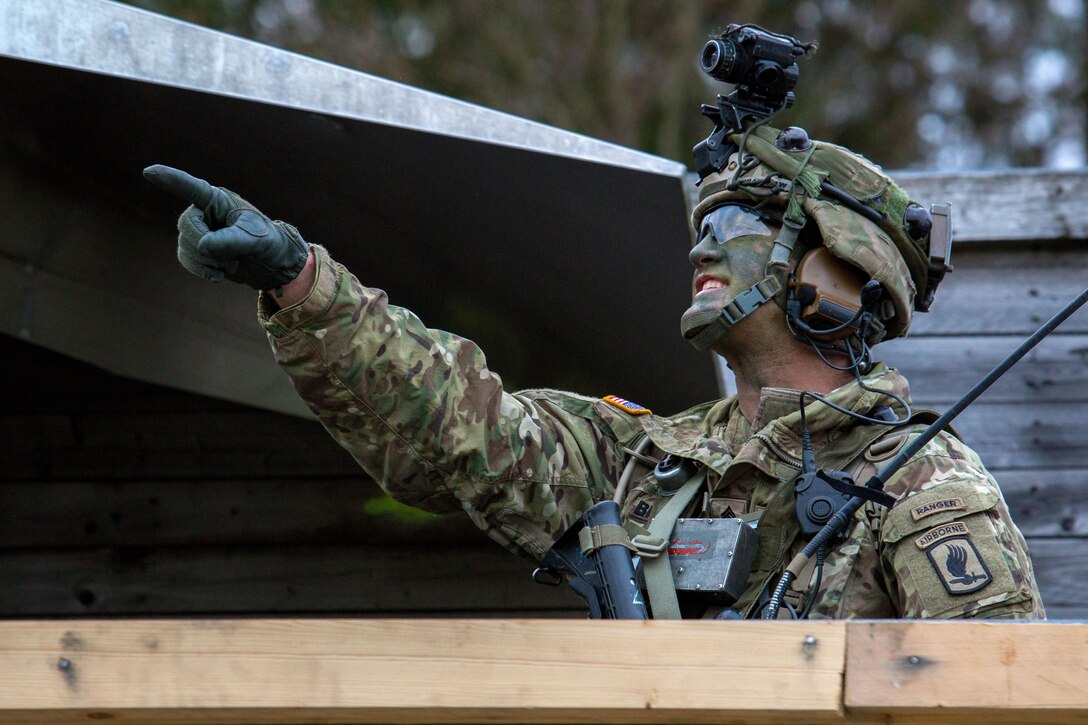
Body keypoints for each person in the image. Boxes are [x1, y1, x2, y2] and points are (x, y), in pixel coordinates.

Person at [143, 121, 1044, 620]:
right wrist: (300, 280)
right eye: (702, 222)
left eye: (738, 225)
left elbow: (995, 699)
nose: (702, 248)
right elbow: (459, 426)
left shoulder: (926, 489)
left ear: (834, 273)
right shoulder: (642, 463)